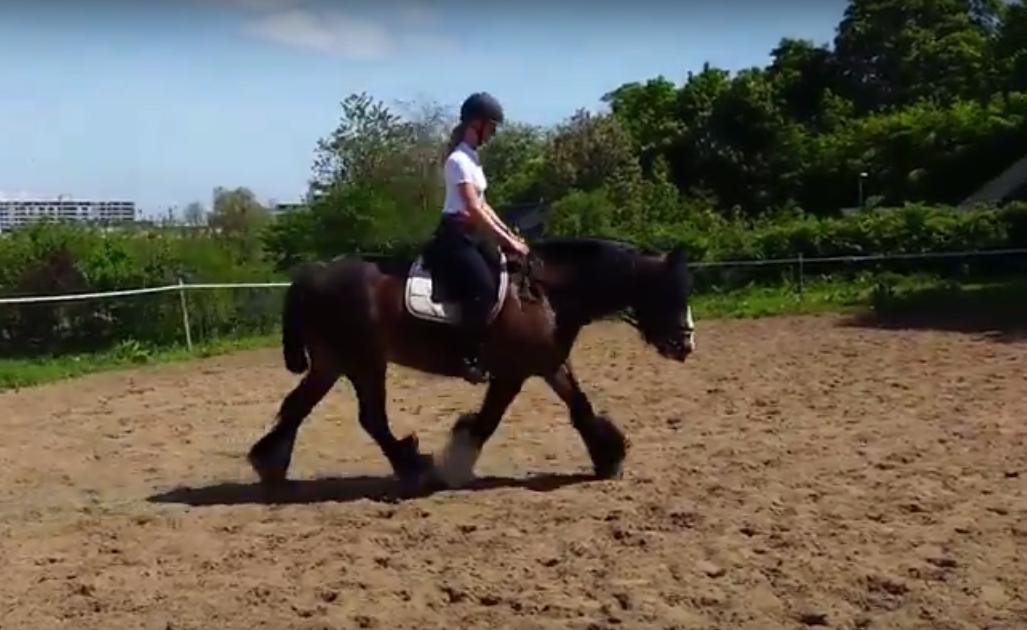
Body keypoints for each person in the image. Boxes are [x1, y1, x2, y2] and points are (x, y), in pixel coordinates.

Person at [425, 91, 530, 384]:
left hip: (472, 234)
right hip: (456, 236)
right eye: (491, 127)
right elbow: (471, 208)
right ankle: (465, 356)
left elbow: (484, 205)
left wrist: (509, 234)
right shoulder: (458, 160)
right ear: (476, 124)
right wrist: (507, 241)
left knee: (506, 277)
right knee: (483, 288)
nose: (493, 133)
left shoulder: (473, 159)